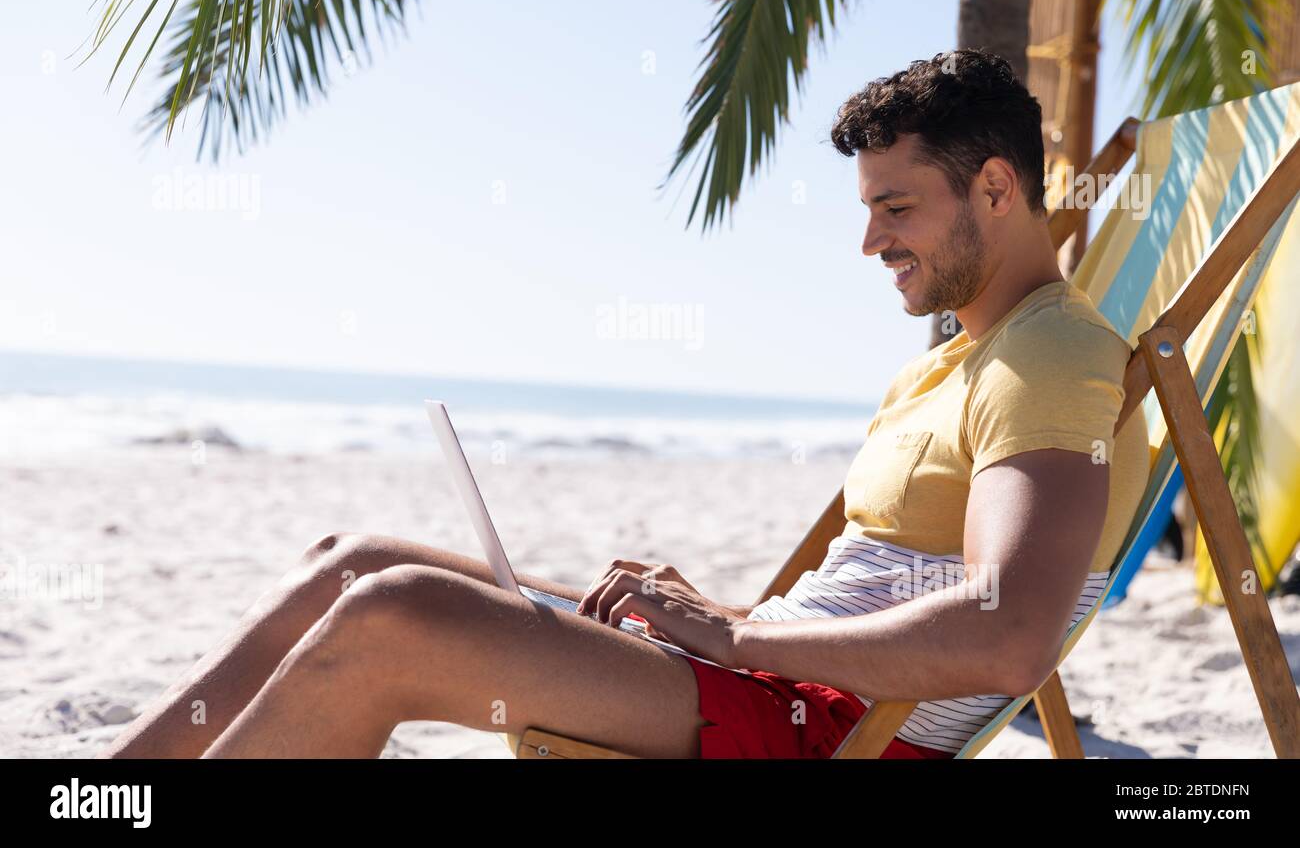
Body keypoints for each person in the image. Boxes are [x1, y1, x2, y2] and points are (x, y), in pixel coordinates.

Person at [102, 50, 1149, 759]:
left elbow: (1005, 631)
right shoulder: (957, 362)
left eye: (895, 205)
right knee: (354, 558)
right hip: (773, 669)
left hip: (816, 723)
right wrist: (725, 616)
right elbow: (882, 591)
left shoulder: (1049, 353)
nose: (869, 240)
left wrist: (739, 641)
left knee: (393, 615)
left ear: (998, 190)